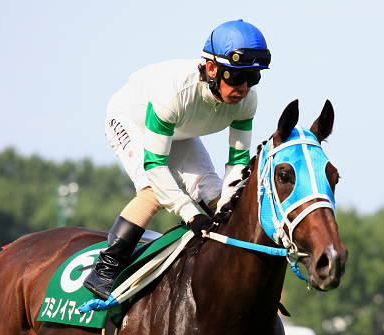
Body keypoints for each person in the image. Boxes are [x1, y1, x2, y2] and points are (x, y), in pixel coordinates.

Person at [83, 19, 271, 300]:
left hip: (180, 130)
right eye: (235, 77)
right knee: (152, 190)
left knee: (216, 192)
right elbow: (156, 167)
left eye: (253, 78)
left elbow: (237, 164)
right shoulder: (173, 93)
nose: (244, 88)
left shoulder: (247, 102)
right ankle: (105, 269)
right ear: (211, 68)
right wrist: (190, 213)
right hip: (132, 120)